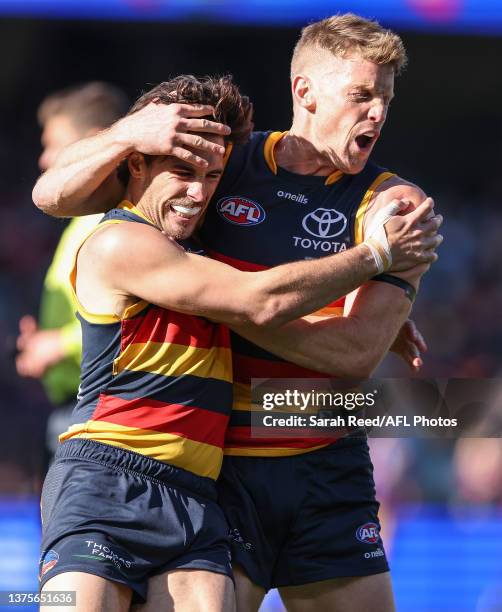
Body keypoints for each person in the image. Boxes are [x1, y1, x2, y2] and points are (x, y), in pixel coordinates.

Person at [33, 15, 443, 612]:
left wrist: (227, 295)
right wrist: (129, 132)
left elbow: (353, 356)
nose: (377, 112)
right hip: (220, 473)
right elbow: (52, 196)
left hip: (324, 463)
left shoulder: (395, 208)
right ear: (304, 91)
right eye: (361, 95)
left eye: (384, 97)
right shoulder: (220, 164)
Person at [16, 82, 129, 464]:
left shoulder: (118, 224)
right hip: (74, 407)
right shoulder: (82, 219)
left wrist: (57, 345)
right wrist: (44, 345)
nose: (44, 159)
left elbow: (132, 317)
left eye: (55, 145)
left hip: (101, 411)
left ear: (95, 143)